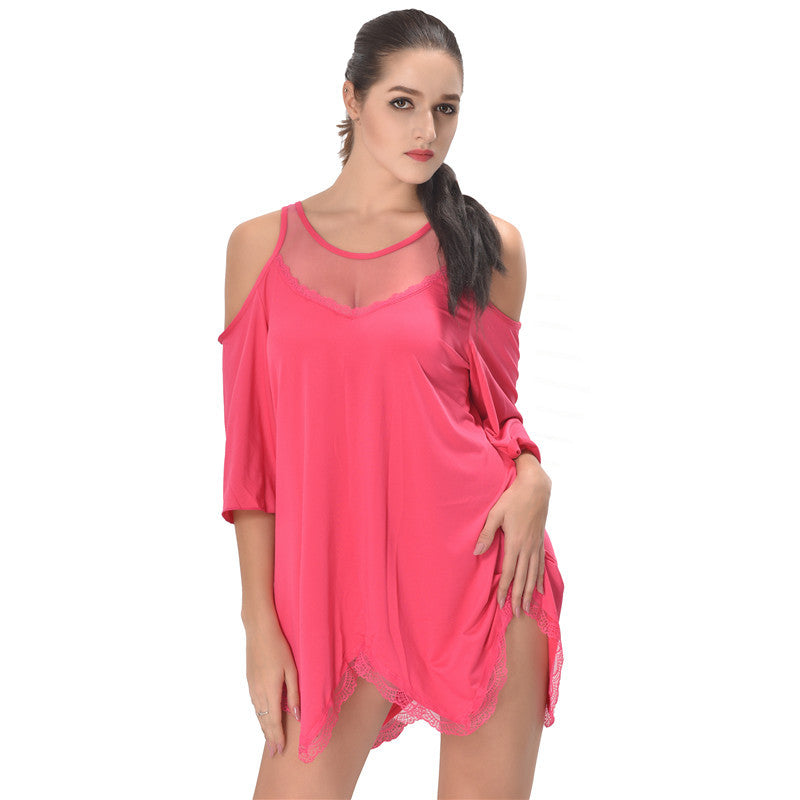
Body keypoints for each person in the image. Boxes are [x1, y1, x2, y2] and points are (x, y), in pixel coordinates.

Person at [217, 9, 565, 799]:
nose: (427, 131)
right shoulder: (258, 247)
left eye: (446, 109)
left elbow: (497, 413)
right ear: (352, 97)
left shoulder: (488, 246)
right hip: (330, 601)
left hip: (483, 578)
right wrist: (259, 627)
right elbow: (252, 463)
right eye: (403, 103)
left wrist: (532, 473)